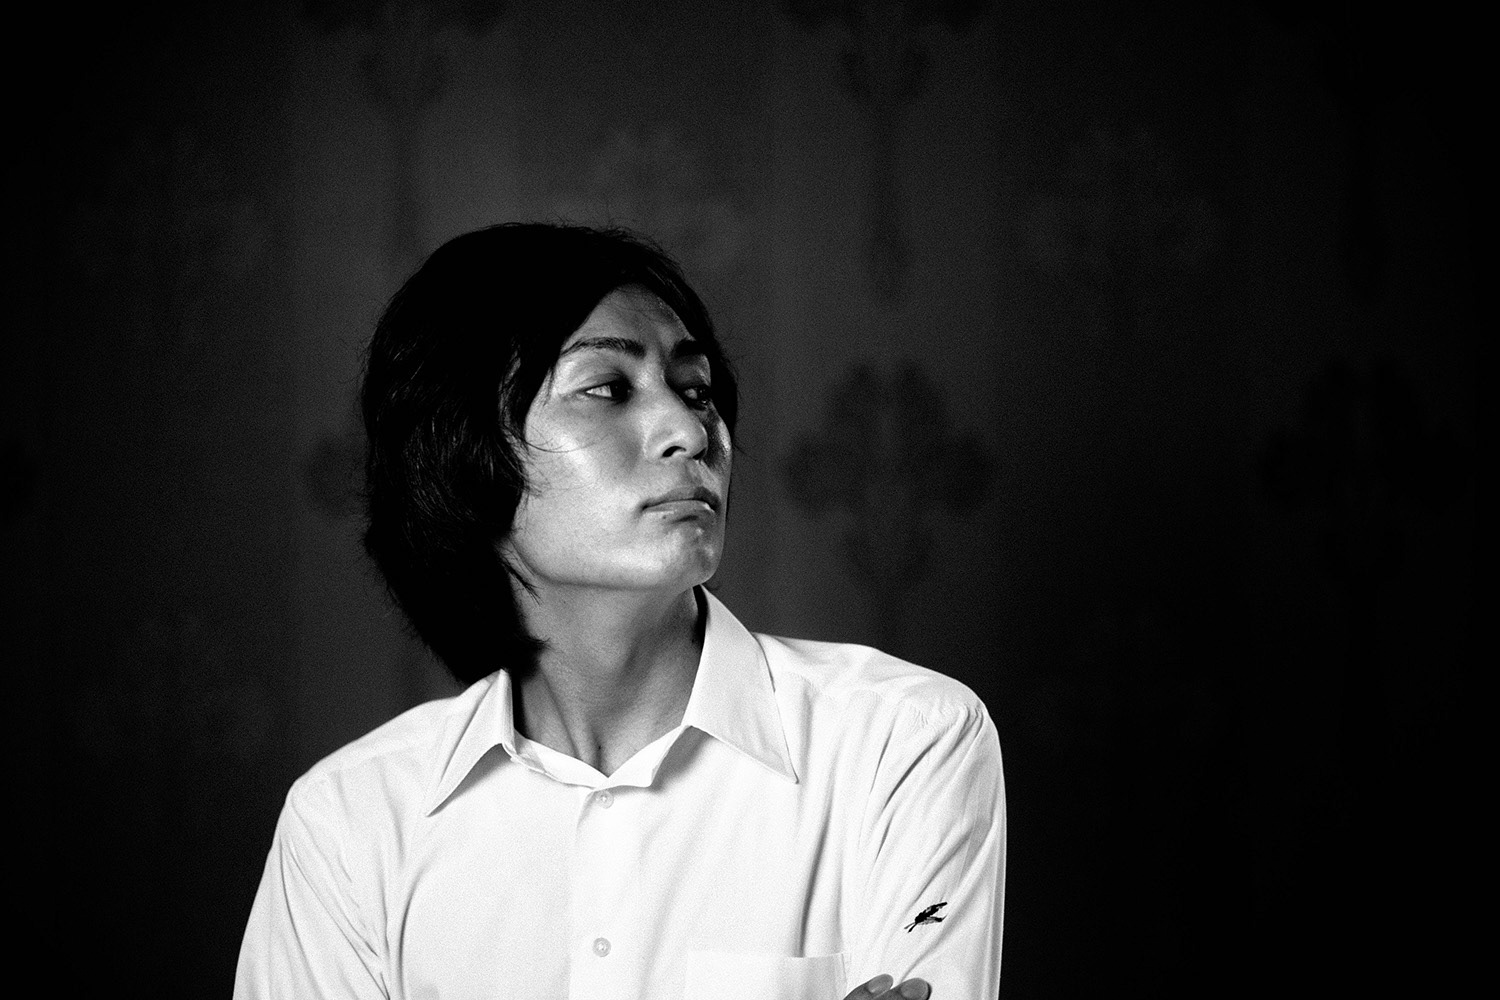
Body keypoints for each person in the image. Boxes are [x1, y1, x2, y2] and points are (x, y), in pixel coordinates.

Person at [234, 223, 1006, 1000]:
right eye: (607, 388)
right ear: (464, 449)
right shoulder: (349, 824)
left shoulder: (902, 744)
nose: (690, 432)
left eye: (696, 389)